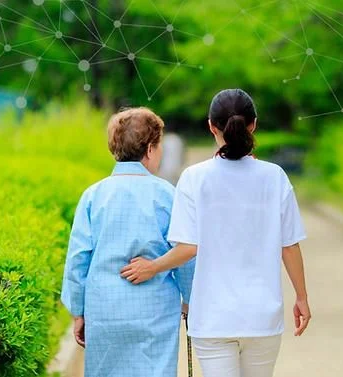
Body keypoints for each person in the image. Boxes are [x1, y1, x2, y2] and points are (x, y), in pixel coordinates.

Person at [122, 89, 311, 377]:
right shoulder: (275, 177)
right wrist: (301, 297)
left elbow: (187, 247)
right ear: (254, 124)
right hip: (262, 316)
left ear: (211, 126)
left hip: (213, 318)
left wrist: (153, 267)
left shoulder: (194, 178)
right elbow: (289, 247)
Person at [61, 107, 195, 377]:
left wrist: (78, 312)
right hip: (155, 312)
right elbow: (185, 253)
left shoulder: (93, 195)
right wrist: (189, 299)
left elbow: (78, 259)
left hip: (104, 309)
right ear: (149, 150)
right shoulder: (167, 194)